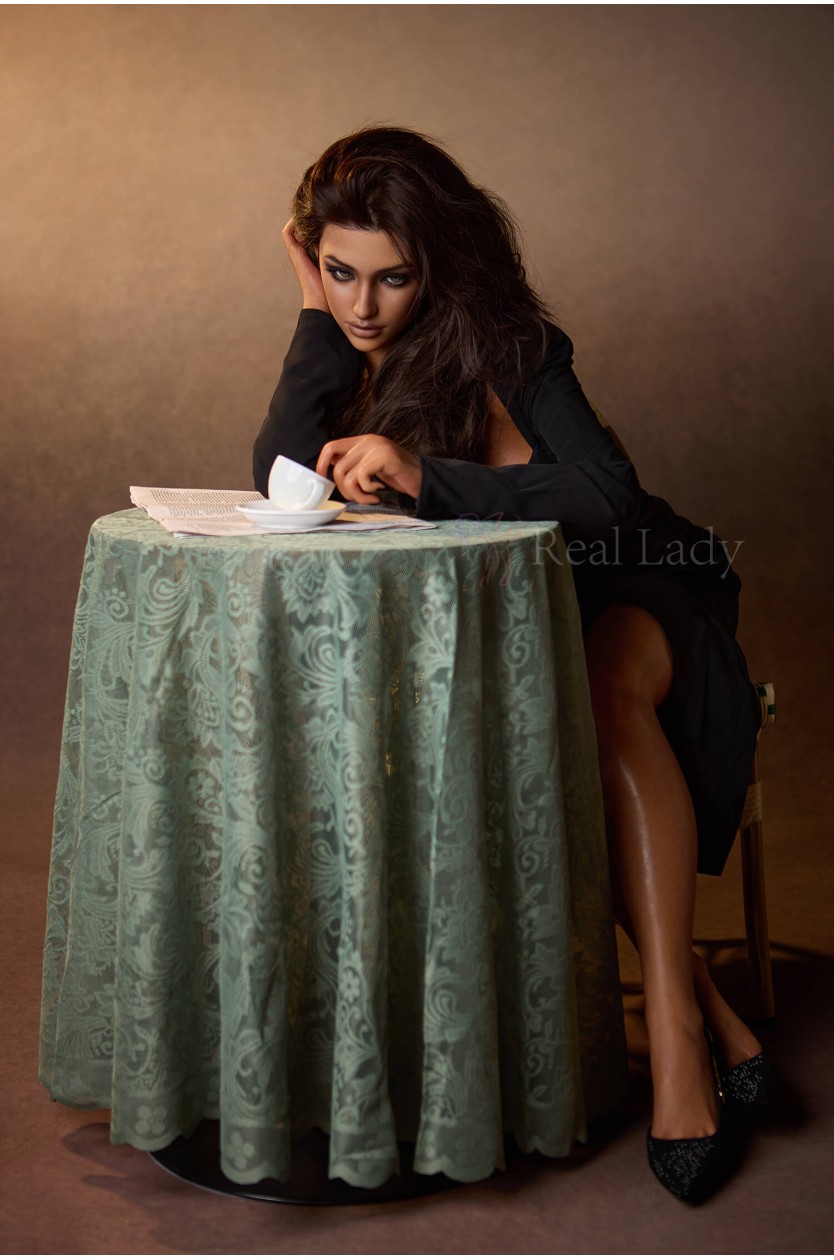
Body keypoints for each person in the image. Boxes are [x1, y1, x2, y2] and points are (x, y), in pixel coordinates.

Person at [253, 126, 773, 1203]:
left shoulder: (510, 340)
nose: (363, 305)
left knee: (603, 696)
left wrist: (426, 476)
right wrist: (310, 318)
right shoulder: (348, 343)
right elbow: (282, 481)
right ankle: (716, 1009)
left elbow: (608, 493)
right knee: (512, 740)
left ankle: (679, 1044)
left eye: (392, 278)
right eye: (341, 273)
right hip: (517, 619)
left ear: (437, 263)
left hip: (637, 580)